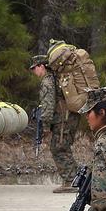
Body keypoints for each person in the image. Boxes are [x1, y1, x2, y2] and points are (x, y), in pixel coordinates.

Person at [29, 54, 79, 193]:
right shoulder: (56, 79)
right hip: (68, 117)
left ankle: (71, 181)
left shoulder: (47, 82)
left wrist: (45, 126)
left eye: (35, 68)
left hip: (63, 120)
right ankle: (75, 179)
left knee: (59, 148)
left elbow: (48, 105)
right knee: (62, 147)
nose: (34, 72)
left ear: (42, 66)